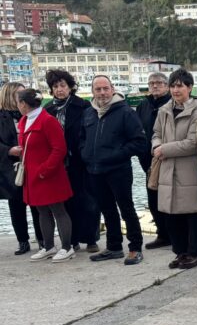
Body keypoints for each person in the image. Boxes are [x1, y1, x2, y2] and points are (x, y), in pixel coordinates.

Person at [81, 75, 149, 265]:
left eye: (105, 88)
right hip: (95, 170)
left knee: (126, 208)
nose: (102, 93)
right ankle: (114, 247)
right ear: (92, 91)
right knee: (107, 209)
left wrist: (116, 154)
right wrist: (85, 153)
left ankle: (135, 247)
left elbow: (139, 142)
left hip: (118, 169)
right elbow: (82, 138)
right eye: (98, 89)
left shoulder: (125, 112)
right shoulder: (89, 113)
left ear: (112, 89)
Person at [152, 69, 197, 270]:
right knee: (172, 215)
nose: (176, 90)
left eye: (180, 86)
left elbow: (193, 143)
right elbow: (156, 133)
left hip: (190, 169)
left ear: (190, 87)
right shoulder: (164, 110)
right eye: (173, 86)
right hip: (168, 169)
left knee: (194, 214)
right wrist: (156, 146)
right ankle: (180, 252)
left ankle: (195, 253)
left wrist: (163, 149)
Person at [13, 89, 75, 262]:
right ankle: (48, 247)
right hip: (33, 175)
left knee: (58, 210)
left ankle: (67, 247)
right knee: (41, 210)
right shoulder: (25, 121)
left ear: (23, 104)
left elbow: (59, 149)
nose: (17, 106)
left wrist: (44, 170)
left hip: (49, 175)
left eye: (18, 102)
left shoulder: (48, 121)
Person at [44, 69, 100, 253]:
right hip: (58, 162)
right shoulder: (48, 109)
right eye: (55, 86)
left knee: (88, 200)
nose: (59, 89)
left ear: (70, 87)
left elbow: (89, 131)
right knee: (66, 202)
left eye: (63, 85)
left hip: (79, 159)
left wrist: (84, 152)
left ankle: (91, 239)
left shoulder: (83, 105)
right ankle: (72, 239)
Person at [0, 82, 42, 255]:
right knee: (16, 205)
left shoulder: (32, 114)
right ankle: (23, 241)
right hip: (11, 167)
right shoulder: (1, 117)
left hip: (32, 164)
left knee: (37, 205)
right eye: (20, 94)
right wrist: (9, 150)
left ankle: (42, 239)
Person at [136, 72, 173, 249]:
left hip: (167, 156)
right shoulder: (143, 105)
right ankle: (162, 234)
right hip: (148, 159)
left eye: (159, 82)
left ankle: (175, 234)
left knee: (169, 199)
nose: (155, 86)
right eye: (151, 83)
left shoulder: (171, 103)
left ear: (167, 85)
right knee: (153, 199)